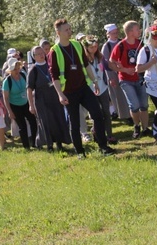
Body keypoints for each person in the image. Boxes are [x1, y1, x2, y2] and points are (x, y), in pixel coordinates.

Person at [48, 18, 115, 158]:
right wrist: (60, 94)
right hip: (68, 92)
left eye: (69, 28)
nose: (69, 31)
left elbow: (86, 65)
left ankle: (103, 146)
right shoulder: (54, 51)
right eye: (66, 30)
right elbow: (54, 75)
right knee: (75, 122)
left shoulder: (77, 45)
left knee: (98, 114)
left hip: (83, 88)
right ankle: (80, 152)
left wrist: (95, 81)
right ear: (58, 32)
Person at [109, 20, 150, 139]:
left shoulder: (141, 44)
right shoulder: (121, 45)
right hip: (126, 80)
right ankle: (136, 126)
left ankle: (146, 128)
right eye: (137, 29)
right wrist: (124, 70)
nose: (139, 32)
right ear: (131, 32)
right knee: (134, 105)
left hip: (140, 78)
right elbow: (111, 63)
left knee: (144, 104)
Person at [26, 45, 71, 151]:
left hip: (54, 96)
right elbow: (29, 89)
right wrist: (31, 105)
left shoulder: (51, 65)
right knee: (46, 121)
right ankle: (49, 145)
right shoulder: (33, 69)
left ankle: (60, 143)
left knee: (58, 118)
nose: (41, 55)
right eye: (38, 54)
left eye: (42, 53)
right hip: (41, 99)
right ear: (34, 56)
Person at [81, 35, 116, 144]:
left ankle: (109, 135)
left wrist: (119, 67)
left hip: (103, 87)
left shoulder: (100, 57)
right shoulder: (83, 60)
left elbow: (108, 66)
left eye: (96, 46)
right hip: (91, 90)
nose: (94, 49)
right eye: (91, 47)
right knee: (97, 113)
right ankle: (97, 133)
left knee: (106, 112)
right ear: (86, 47)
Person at [2, 57, 38, 149]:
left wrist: (31, 104)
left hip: (25, 102)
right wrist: (10, 111)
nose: (17, 71)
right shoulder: (7, 81)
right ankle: (26, 146)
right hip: (14, 105)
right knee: (22, 126)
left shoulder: (23, 75)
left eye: (18, 68)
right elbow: (5, 98)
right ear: (10, 70)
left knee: (33, 122)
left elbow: (28, 88)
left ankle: (34, 142)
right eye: (14, 69)